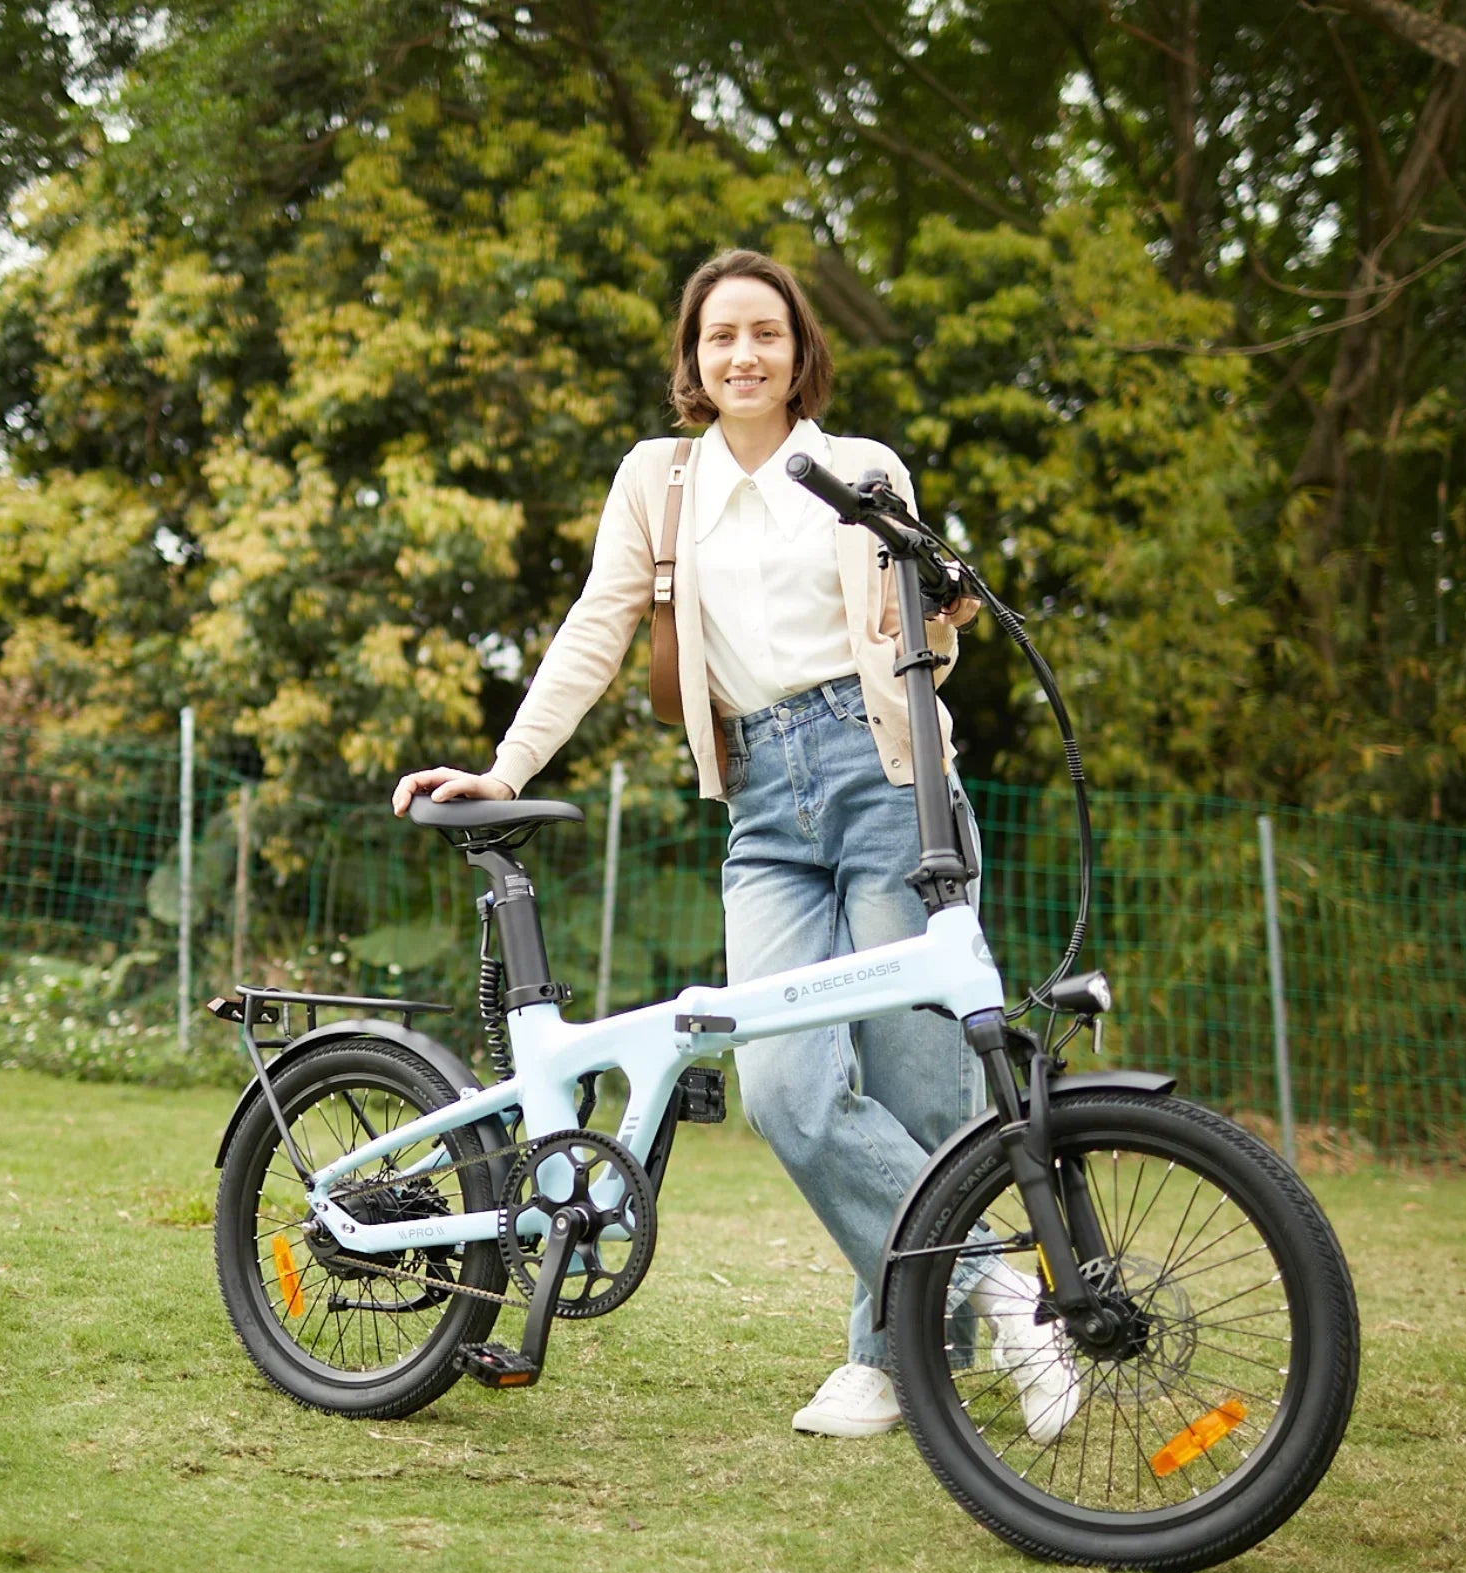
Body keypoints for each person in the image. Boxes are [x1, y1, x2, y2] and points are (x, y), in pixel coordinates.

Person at [392, 249, 1076, 1441]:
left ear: (799, 349)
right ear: (694, 359)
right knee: (787, 1091)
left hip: (887, 782)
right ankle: (1009, 1300)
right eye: (720, 336)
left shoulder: (861, 468)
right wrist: (507, 766)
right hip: (762, 805)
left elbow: (916, 636)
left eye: (765, 332)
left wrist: (946, 612)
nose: (744, 353)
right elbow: (599, 625)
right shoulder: (658, 483)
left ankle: (890, 1363)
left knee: (922, 1093)